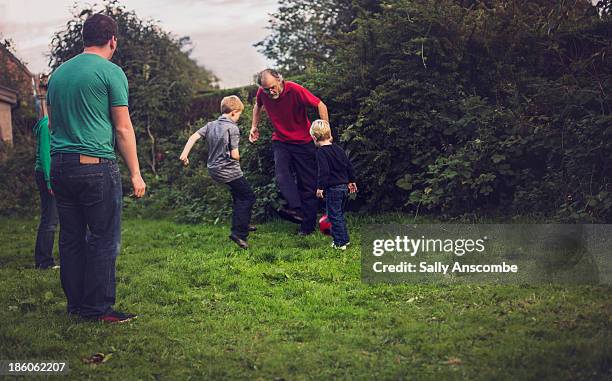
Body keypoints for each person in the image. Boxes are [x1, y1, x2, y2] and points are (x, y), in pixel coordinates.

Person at [47, 13, 146, 323]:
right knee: (103, 238)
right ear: (112, 40)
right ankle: (98, 309)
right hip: (95, 166)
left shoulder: (58, 75)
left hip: (60, 166)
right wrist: (135, 172)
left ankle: (76, 306)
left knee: (71, 238)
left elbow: (52, 125)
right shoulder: (110, 72)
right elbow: (123, 128)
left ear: (84, 39)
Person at [249, 68, 328, 235]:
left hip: (304, 142)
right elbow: (257, 106)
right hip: (281, 141)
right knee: (282, 175)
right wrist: (254, 127)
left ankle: (307, 228)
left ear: (279, 80)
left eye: (272, 87)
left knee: (307, 185)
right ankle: (297, 209)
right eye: (266, 89)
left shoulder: (295, 89)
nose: (270, 92)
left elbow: (320, 105)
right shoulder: (262, 92)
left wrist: (324, 132)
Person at [179, 95, 256, 249]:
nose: (238, 118)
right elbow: (235, 154)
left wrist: (184, 154)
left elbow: (194, 137)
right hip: (228, 170)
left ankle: (243, 222)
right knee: (248, 196)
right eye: (239, 114)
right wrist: (240, 156)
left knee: (238, 195)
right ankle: (239, 233)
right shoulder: (233, 128)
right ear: (234, 112)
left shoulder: (211, 125)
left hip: (213, 169)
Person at [310, 120, 357, 250]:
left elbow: (324, 171)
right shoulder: (338, 149)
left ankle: (339, 243)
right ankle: (344, 240)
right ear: (329, 134)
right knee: (338, 214)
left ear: (314, 137)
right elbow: (348, 165)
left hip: (333, 189)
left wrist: (320, 188)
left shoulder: (320, 152)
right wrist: (351, 181)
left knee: (333, 216)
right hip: (343, 187)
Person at [32, 74, 59, 269]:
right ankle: (44, 261)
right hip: (45, 174)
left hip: (50, 174)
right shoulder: (46, 125)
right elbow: (46, 154)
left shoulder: (54, 121)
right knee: (50, 219)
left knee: (53, 217)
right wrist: (50, 182)